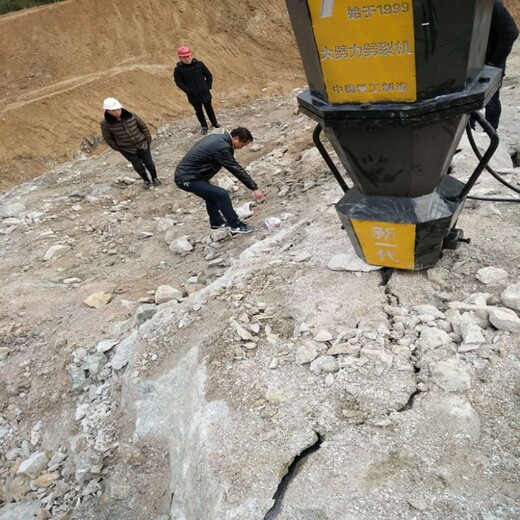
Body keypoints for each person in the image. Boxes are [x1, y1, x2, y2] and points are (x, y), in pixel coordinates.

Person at [174, 127, 266, 234]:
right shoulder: (222, 147)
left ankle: (216, 224)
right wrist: (254, 188)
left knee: (212, 196)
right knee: (221, 194)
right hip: (187, 178)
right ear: (236, 139)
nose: (242, 148)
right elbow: (235, 168)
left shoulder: (218, 139)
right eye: (243, 144)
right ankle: (235, 225)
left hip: (194, 176)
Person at [100, 97, 160, 189]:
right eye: (114, 110)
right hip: (127, 149)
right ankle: (146, 181)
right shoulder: (105, 123)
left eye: (118, 109)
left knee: (149, 163)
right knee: (138, 166)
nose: (117, 112)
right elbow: (108, 138)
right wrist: (118, 148)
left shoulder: (131, 115)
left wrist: (147, 139)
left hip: (142, 144)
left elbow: (143, 127)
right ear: (108, 111)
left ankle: (155, 178)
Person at [485, 1, 518, 130]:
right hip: (473, 61)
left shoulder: (493, 6)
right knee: (469, 101)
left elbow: (511, 32)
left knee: (492, 99)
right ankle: (472, 132)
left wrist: (495, 59)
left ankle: (490, 132)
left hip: (491, 60)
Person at [173, 46, 220, 135]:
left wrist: (208, 86)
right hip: (193, 95)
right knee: (198, 111)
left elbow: (209, 75)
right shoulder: (178, 70)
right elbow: (179, 82)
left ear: (190, 55)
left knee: (209, 108)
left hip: (204, 92)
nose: (187, 59)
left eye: (188, 56)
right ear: (180, 58)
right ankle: (204, 126)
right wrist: (188, 91)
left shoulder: (199, 64)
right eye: (184, 57)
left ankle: (214, 123)